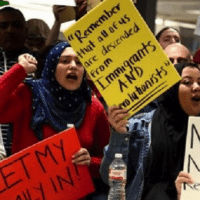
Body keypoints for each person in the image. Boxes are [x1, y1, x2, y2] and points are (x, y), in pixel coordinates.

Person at [0, 41, 111, 199]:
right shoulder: (29, 94)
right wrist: (20, 70)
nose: (73, 66)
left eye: (79, 62)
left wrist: (90, 162)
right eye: (65, 61)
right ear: (52, 67)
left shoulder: (94, 107)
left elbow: (109, 164)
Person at [100, 62, 200, 200]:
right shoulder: (140, 126)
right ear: (172, 88)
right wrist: (118, 136)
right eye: (187, 82)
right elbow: (109, 178)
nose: (196, 87)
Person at [0, 6, 35, 157]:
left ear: (26, 32)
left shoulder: (41, 63)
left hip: (29, 157)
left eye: (16, 25)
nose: (10, 30)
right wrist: (19, 70)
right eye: (3, 26)